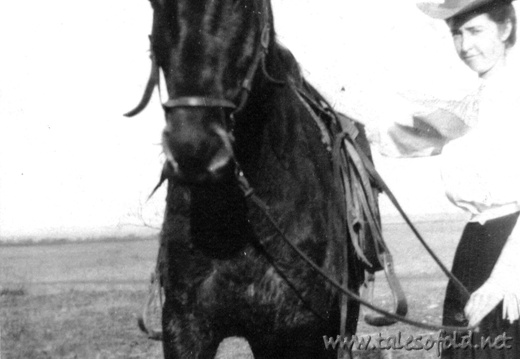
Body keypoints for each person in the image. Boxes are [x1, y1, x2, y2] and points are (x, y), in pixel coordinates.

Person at [367, 0, 520, 357]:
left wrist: (504, 280)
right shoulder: (474, 103)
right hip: (474, 250)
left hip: (512, 257)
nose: (465, 46)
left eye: (476, 31)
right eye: (456, 34)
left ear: (506, 29)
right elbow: (411, 137)